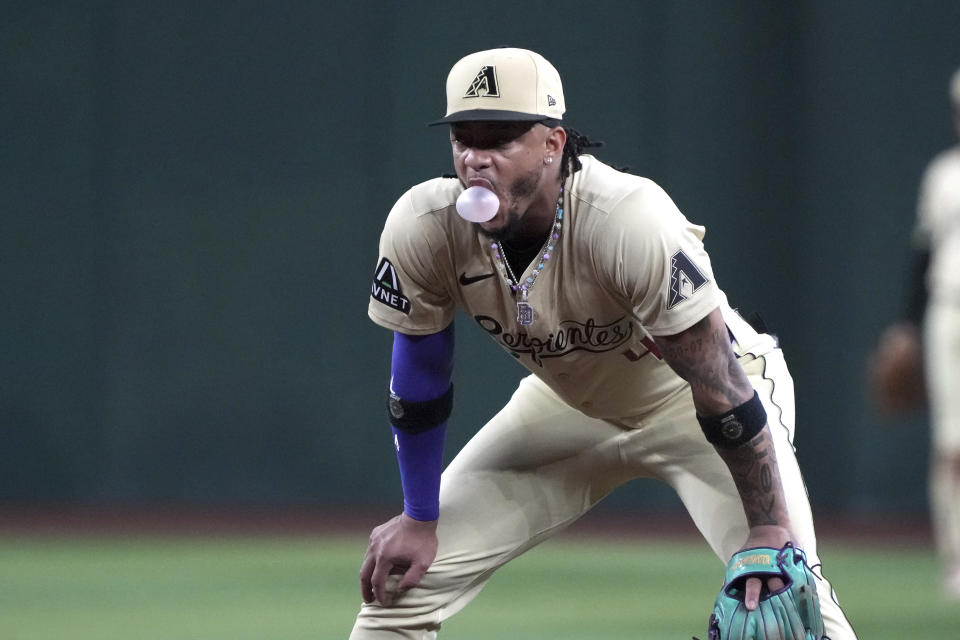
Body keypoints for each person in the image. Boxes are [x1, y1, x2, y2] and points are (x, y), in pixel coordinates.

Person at [353, 47, 857, 639]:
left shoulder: (624, 219)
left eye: (502, 136)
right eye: (465, 138)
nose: (477, 159)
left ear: (554, 143)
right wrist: (419, 515)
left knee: (791, 607)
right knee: (401, 589)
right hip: (568, 407)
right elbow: (420, 379)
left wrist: (769, 528)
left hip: (699, 405)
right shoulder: (426, 225)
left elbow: (718, 382)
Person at [869, 66, 960, 599]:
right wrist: (906, 326)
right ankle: (955, 561)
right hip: (948, 311)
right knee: (952, 445)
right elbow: (922, 256)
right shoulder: (944, 175)